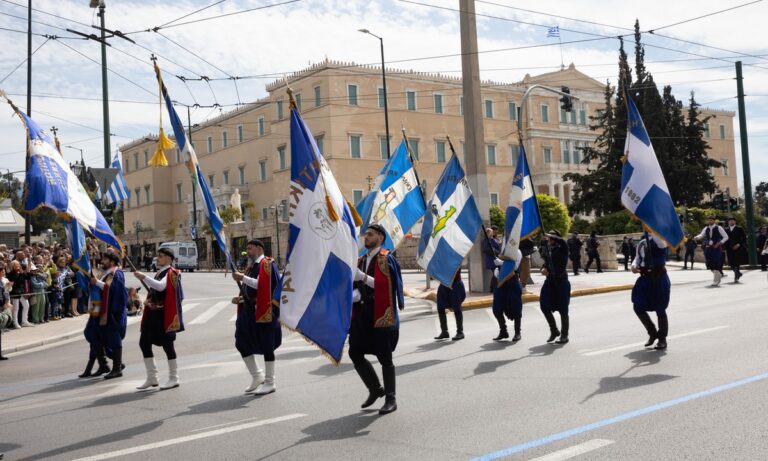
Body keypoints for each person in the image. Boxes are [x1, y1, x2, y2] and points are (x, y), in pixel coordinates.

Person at [349, 224, 404, 415]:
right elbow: (356, 282)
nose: (367, 237)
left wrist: (363, 278)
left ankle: (391, 398)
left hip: (381, 314)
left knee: (385, 358)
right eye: (366, 234)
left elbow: (388, 285)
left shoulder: (386, 258)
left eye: (371, 234)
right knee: (355, 352)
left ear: (380, 237)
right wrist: (355, 292)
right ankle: (375, 389)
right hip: (363, 315)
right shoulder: (361, 260)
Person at [231, 240, 281, 395]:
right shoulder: (251, 266)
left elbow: (262, 285)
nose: (247, 251)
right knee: (241, 342)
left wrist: (242, 278)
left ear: (259, 249)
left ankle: (270, 381)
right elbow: (251, 290)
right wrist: (240, 298)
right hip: (249, 311)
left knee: (267, 345)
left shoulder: (267, 264)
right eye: (246, 248)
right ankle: (257, 375)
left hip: (265, 310)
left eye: (250, 248)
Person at [134, 248, 184, 390]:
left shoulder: (172, 272)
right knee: (144, 343)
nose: (158, 258)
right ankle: (152, 377)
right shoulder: (160, 272)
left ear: (169, 258)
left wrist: (144, 277)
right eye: (158, 256)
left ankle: (174, 378)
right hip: (153, 314)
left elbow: (161, 287)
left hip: (164, 315)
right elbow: (155, 290)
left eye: (161, 256)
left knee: (168, 346)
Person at [90, 251, 128, 380]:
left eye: (105, 259)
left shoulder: (116, 273)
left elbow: (111, 288)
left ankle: (116, 368)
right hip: (102, 310)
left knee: (114, 338)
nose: (102, 261)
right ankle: (105, 365)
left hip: (113, 311)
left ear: (112, 261)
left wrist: (96, 282)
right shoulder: (106, 273)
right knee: (96, 336)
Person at [631, 232, 671, 350]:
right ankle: (652, 333)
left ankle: (662, 338)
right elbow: (638, 257)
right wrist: (634, 265)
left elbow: (659, 241)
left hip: (658, 278)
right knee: (637, 306)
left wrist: (653, 227)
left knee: (660, 308)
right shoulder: (642, 242)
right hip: (645, 278)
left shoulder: (661, 241)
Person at [539, 230, 571, 344]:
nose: (550, 239)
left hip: (561, 281)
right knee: (544, 305)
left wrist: (548, 234)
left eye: (552, 236)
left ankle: (564, 335)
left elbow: (562, 241)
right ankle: (554, 330)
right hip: (549, 281)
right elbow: (545, 262)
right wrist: (543, 269)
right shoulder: (548, 249)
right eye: (549, 236)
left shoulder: (563, 248)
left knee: (563, 309)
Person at [80, 264, 111, 379]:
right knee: (93, 338)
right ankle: (98, 366)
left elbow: (108, 288)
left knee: (92, 335)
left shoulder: (110, 275)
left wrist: (97, 281)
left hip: (98, 308)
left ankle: (111, 362)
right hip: (94, 307)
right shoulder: (98, 277)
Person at [491, 247, 523, 342]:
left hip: (512, 281)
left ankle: (517, 332)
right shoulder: (503, 251)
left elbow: (515, 266)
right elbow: (499, 266)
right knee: (496, 308)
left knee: (516, 307)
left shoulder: (517, 251)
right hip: (501, 282)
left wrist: (500, 262)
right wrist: (496, 270)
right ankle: (503, 331)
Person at [694, 215, 728, 287]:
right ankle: (718, 274)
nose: (710, 221)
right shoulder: (706, 228)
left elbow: (726, 237)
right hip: (708, 248)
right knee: (709, 263)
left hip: (716, 247)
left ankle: (716, 280)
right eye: (709, 220)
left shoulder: (719, 228)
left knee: (715, 262)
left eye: (711, 220)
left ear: (714, 221)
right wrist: (697, 237)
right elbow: (701, 235)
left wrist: (720, 243)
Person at [434, 270, 466, 341]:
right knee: (440, 306)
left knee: (457, 307)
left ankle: (460, 332)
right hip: (444, 284)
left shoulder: (456, 258)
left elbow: (455, 269)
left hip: (455, 284)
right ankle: (444, 331)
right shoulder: (441, 260)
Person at [724, 217, 747, 283]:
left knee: (736, 262)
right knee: (731, 263)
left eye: (732, 221)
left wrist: (738, 244)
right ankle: (738, 273)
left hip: (738, 248)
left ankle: (736, 276)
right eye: (730, 221)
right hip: (729, 248)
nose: (731, 222)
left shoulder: (739, 229)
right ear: (728, 222)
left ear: (735, 222)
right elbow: (724, 239)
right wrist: (724, 247)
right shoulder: (726, 229)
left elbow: (744, 238)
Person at [481, 226, 501, 293]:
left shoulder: (488, 240)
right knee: (495, 273)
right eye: (491, 232)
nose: (492, 233)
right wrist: (496, 251)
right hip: (492, 259)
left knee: (495, 273)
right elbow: (497, 248)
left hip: (492, 259)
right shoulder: (489, 240)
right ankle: (492, 288)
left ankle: (492, 288)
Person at [0, 263, 11, 360]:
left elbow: (5, 293)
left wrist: (6, 303)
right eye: (2, 271)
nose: (3, 273)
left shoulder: (1, 282)